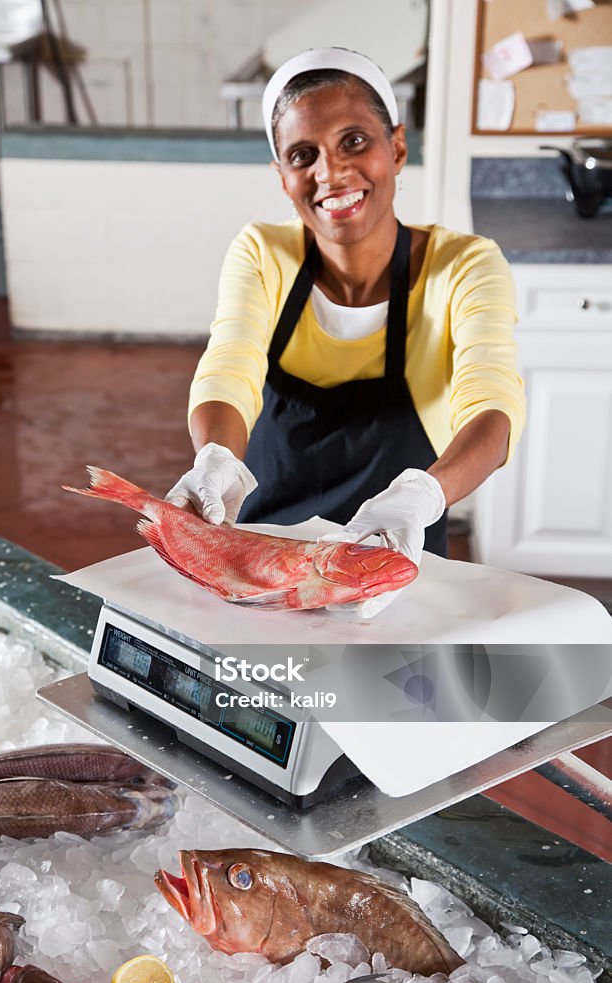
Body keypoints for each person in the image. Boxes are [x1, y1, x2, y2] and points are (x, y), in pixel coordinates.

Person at [166, 47, 526, 615]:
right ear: (283, 178)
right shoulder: (264, 252)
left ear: (398, 148)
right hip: (266, 555)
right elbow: (229, 364)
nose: (330, 173)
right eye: (303, 155)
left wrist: (420, 498)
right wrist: (213, 457)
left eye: (354, 141)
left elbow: (493, 405)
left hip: (391, 554)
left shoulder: (465, 265)